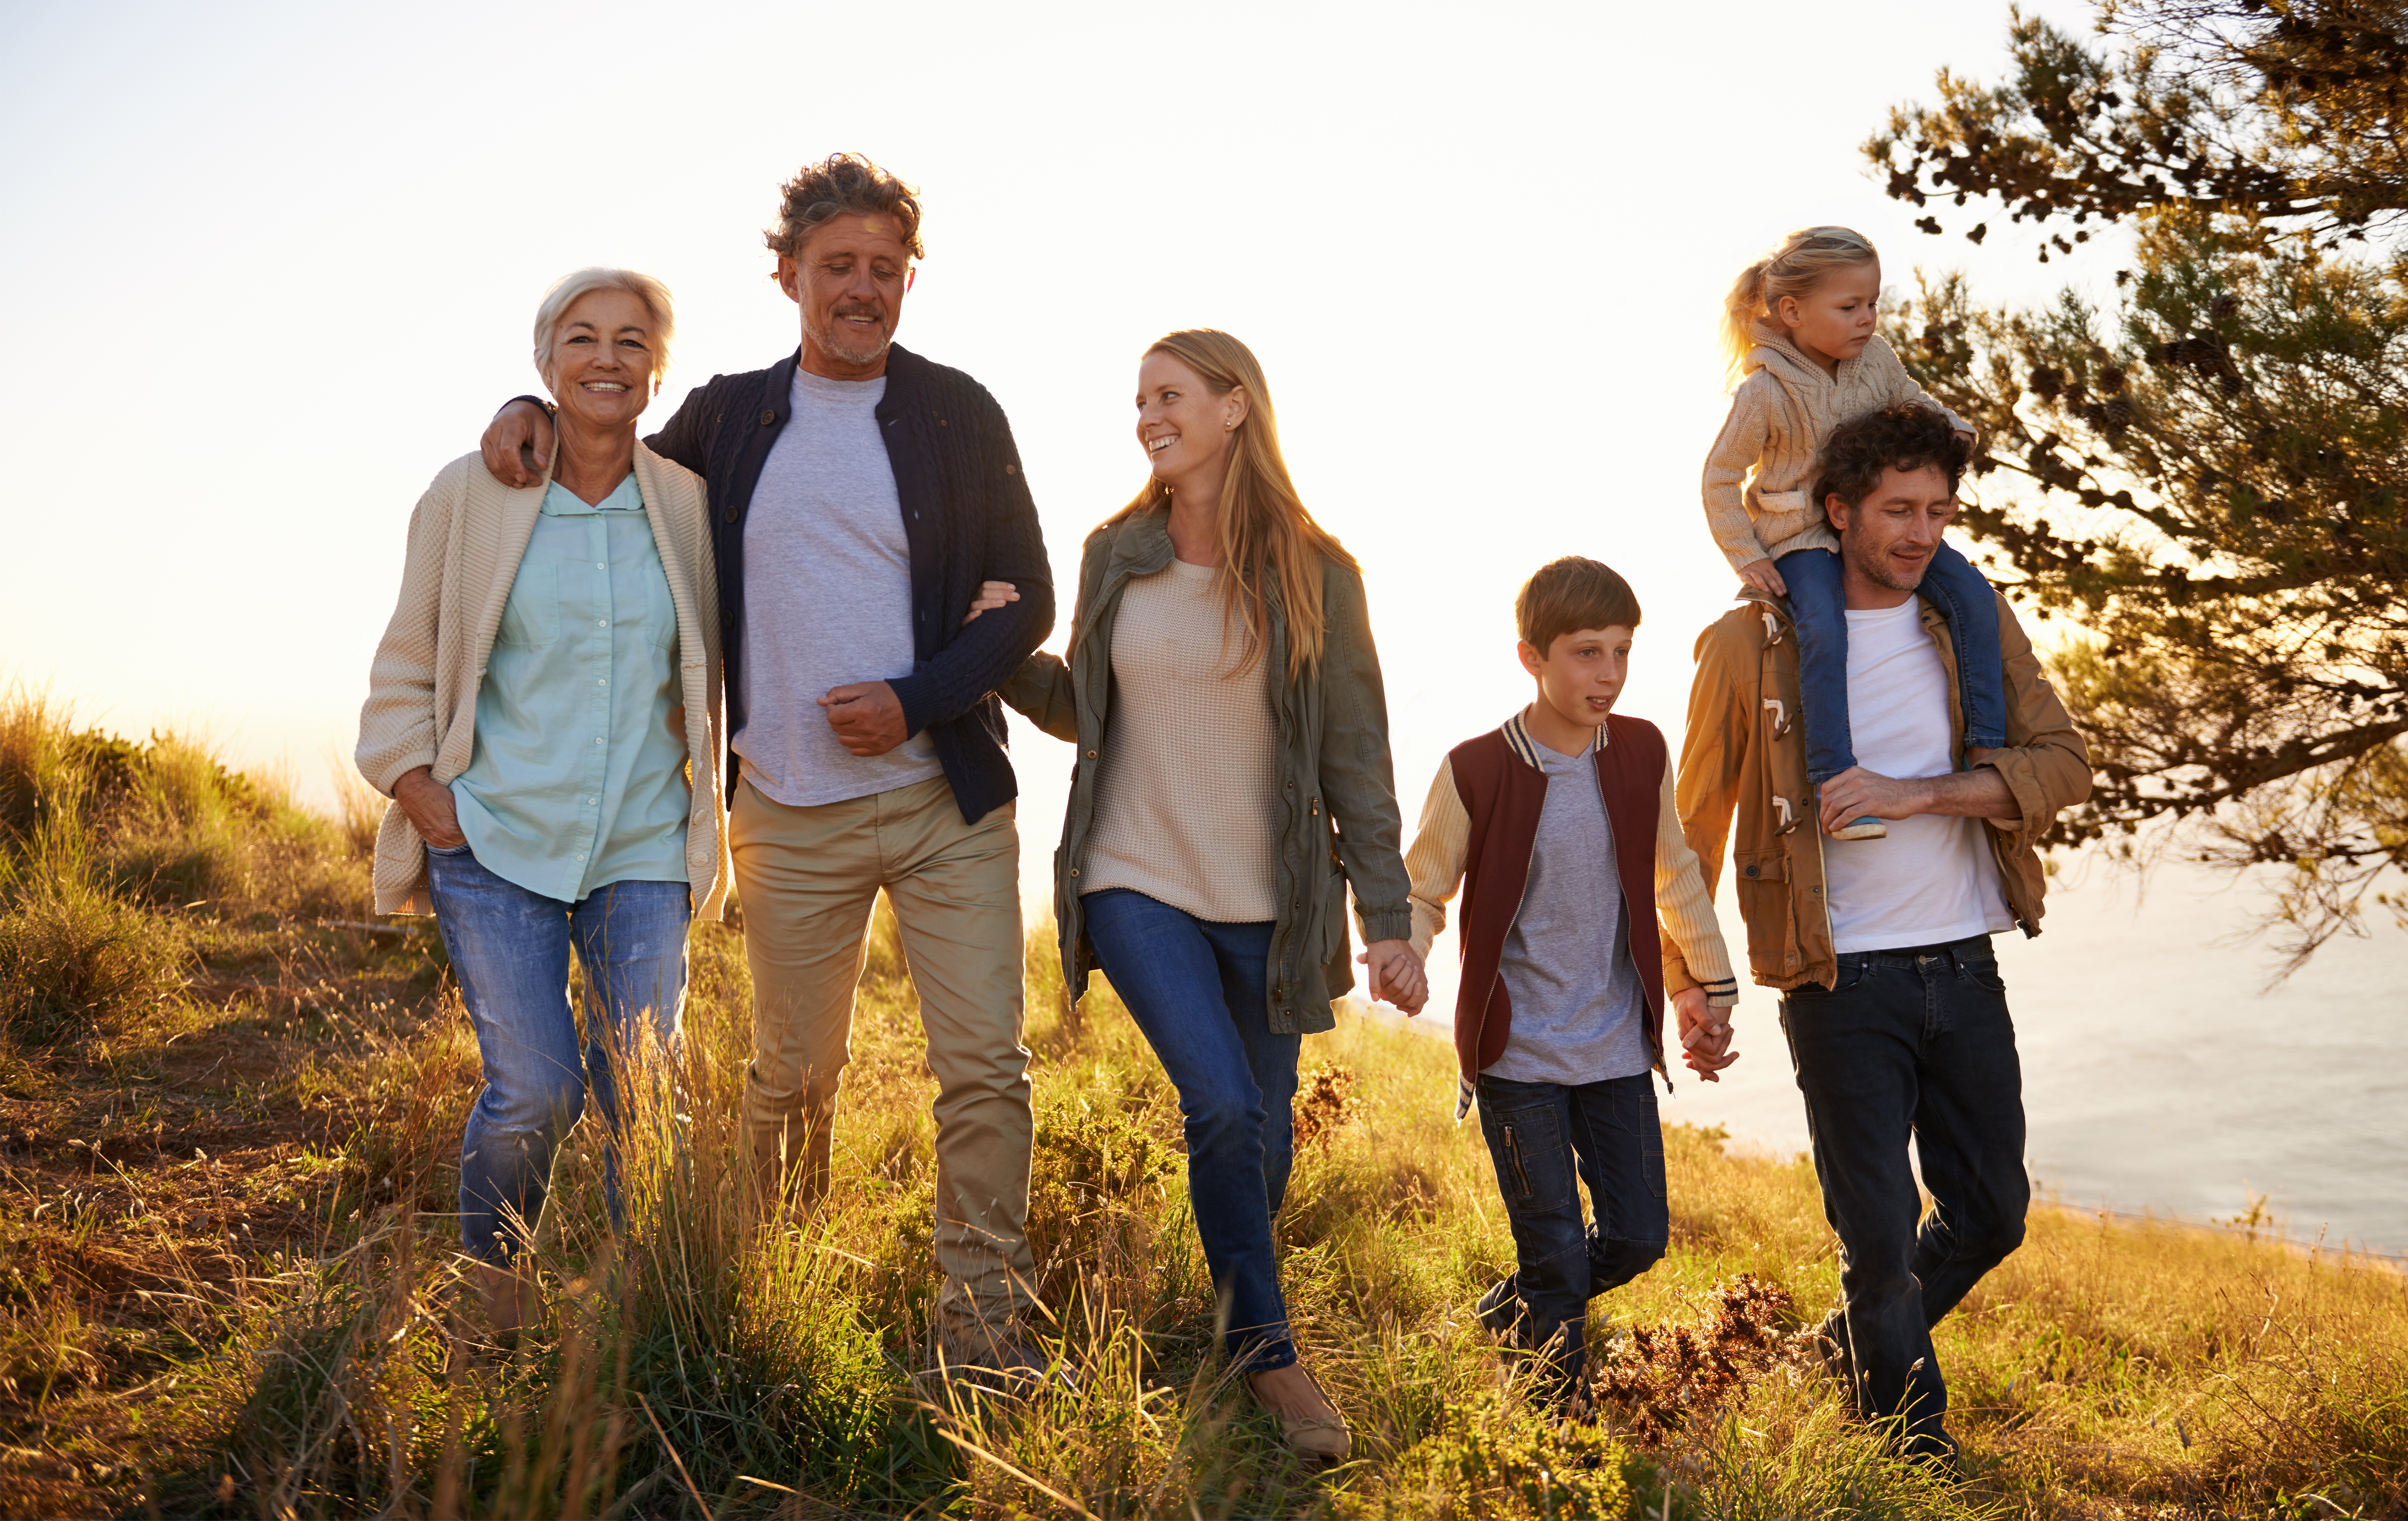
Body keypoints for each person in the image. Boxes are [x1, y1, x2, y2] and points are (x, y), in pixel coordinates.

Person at [478, 155, 1055, 1378]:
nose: (861, 288)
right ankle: (779, 1286)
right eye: (836, 265)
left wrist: (915, 697)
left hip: (944, 801)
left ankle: (983, 1321)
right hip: (786, 810)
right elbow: (606, 457)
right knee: (791, 1075)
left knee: (984, 1073)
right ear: (787, 272)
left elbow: (1030, 603)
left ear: (908, 278)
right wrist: (524, 414)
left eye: (883, 269)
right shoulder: (729, 417)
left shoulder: (960, 410)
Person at [999, 329, 1425, 1460]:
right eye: (1139, 398)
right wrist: (992, 650)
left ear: (1237, 407)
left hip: (1272, 903)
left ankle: (1234, 1317)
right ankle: (1274, 1357)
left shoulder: (1316, 569)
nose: (1147, 414)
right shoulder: (1114, 551)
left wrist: (1387, 919)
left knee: (1264, 1132)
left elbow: (1355, 758)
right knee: (1224, 1106)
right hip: (1134, 875)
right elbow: (1086, 704)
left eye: (1170, 394)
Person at [1673, 403, 2091, 1466]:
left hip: (1965, 958)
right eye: (1897, 509)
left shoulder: (1969, 622)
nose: (1920, 533)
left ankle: (1845, 1350)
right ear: (1837, 510)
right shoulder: (1747, 645)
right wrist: (1693, 981)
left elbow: (2064, 763)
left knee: (1994, 1210)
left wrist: (1922, 794)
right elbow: (1694, 826)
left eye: (1938, 511)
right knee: (1876, 1233)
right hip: (1837, 977)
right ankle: (1912, 1444)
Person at [358, 268, 728, 1339]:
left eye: (629, 340)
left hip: (642, 844)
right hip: (496, 838)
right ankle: (497, 1303)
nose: (605, 357)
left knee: (642, 1092)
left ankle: (632, 1316)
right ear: (543, 362)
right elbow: (408, 656)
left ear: (658, 371)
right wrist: (422, 790)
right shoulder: (469, 494)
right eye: (581, 337)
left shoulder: (689, 503)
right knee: (537, 1091)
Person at [1399, 556, 1740, 1405]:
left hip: (1616, 1045)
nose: (1611, 674)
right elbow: (1423, 887)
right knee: (1552, 1245)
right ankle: (1561, 1430)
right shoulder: (1477, 768)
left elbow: (1676, 876)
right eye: (1588, 652)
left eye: (1623, 650)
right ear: (1532, 657)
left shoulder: (1640, 750)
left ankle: (1512, 1311)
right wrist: (1404, 951)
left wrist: (1713, 986)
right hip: (1519, 1056)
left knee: (1638, 1235)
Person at [1702, 226, 2005, 840]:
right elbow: (1719, 480)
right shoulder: (1763, 392)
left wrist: (1952, 425)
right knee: (1822, 627)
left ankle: (1988, 747)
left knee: (1973, 597)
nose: (1867, 318)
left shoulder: (1875, 359)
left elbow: (1912, 399)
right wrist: (1747, 556)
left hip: (1873, 525)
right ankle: (1837, 780)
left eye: (1872, 303)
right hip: (1802, 535)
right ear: (1792, 311)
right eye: (1850, 307)